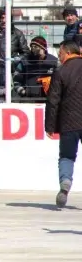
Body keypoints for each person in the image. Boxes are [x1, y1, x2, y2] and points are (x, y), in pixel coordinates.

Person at [45, 40, 82, 208]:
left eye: (60, 53)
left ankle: (65, 184)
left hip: (69, 122)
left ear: (67, 52)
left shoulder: (60, 72)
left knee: (67, 156)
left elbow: (53, 101)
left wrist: (50, 126)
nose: (58, 56)